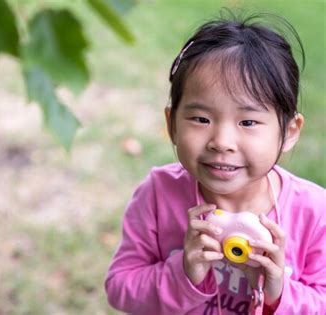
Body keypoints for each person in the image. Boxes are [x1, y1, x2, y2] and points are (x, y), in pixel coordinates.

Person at [105, 10, 326, 315]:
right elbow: (120, 289)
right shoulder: (158, 194)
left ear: (288, 132)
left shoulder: (314, 212)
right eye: (201, 118)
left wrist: (278, 291)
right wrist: (183, 273)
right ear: (172, 124)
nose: (221, 141)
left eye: (248, 122)